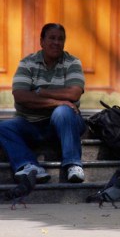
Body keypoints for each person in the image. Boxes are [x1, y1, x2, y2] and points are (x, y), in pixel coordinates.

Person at [0, 23, 86, 184]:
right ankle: (29, 166)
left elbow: (74, 93)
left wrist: (41, 92)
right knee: (3, 127)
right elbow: (20, 97)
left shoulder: (72, 62)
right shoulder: (27, 63)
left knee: (63, 112)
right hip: (31, 124)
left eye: (61, 39)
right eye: (52, 38)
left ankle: (73, 164)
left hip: (65, 126)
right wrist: (58, 101)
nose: (56, 42)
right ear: (42, 41)